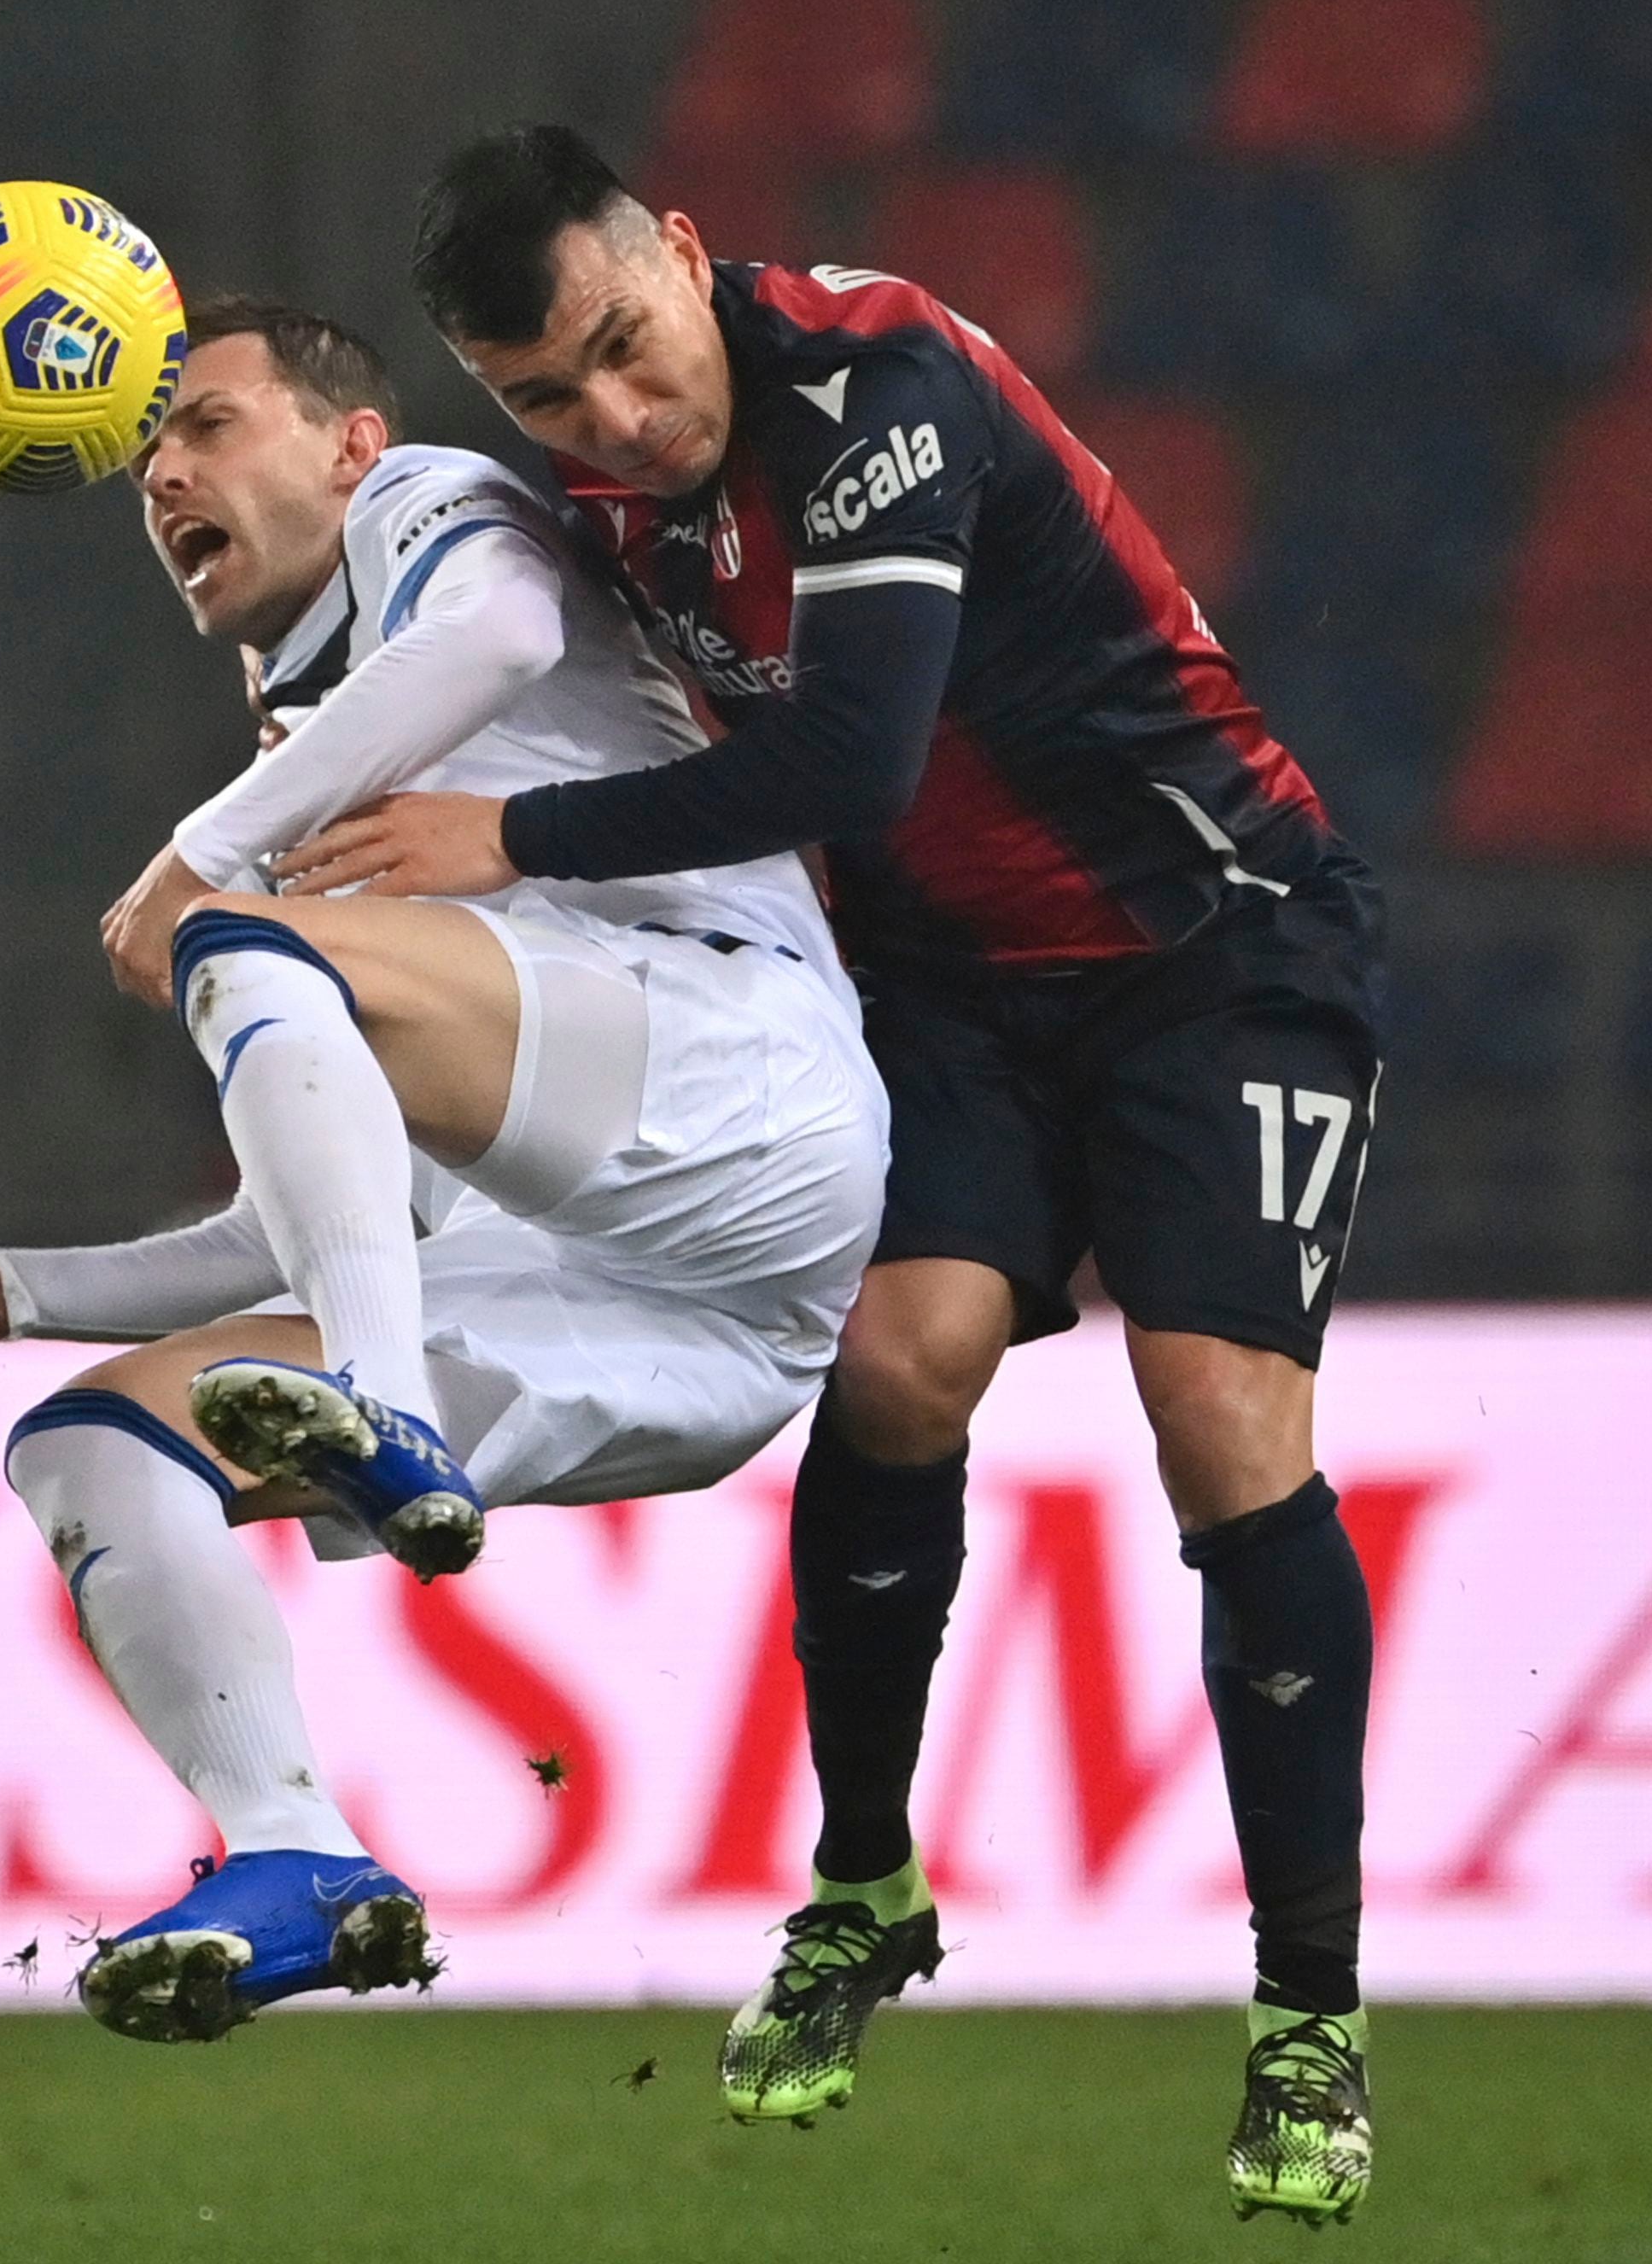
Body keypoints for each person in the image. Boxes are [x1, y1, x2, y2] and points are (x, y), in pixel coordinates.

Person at [295, 125, 1386, 2220]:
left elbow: (850, 761)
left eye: (626, 346)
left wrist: (498, 849)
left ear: (688, 252)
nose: (614, 417)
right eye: (545, 398)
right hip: (956, 987)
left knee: (1219, 1419)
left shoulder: (882, 391)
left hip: (1217, 943)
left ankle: (1307, 2014)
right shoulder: (592, 508)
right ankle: (867, 1886)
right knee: (894, 1367)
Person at [0, 295, 886, 2043]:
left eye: (207, 423)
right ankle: (296, 1854)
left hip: (750, 1104)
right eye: (147, 455)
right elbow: (308, 1216)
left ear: (347, 441)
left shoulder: (428, 507)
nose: (163, 473)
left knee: (245, 947)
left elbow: (506, 636)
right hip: (680, 1335)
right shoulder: (312, 752)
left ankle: (382, 1411)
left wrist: (205, 858)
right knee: (93, 1449)